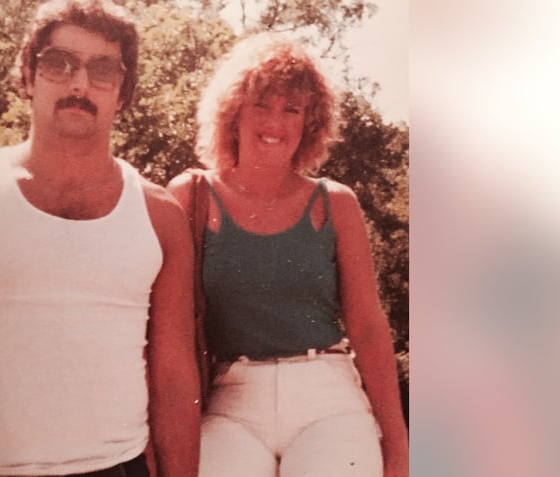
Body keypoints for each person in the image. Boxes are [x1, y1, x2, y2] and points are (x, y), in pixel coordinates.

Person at [0, 1, 200, 476]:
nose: (78, 85)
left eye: (102, 69)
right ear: (28, 76)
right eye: (57, 63)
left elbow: (173, 380)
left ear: (123, 92)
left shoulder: (160, 218)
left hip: (114, 467)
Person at [167, 33, 409, 477]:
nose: (274, 122)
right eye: (261, 103)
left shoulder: (335, 203)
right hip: (231, 399)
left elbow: (369, 329)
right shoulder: (191, 197)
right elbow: (168, 330)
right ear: (233, 110)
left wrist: (398, 443)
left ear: (309, 124)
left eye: (291, 109)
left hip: (329, 398)